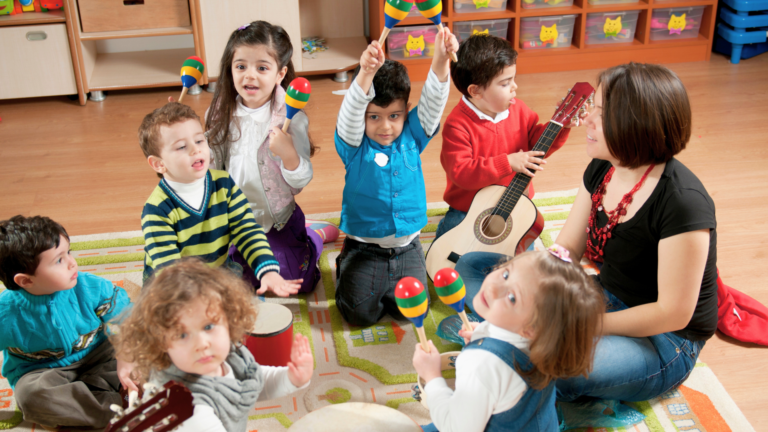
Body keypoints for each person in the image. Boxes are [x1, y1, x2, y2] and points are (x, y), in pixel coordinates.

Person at [456, 62, 718, 403]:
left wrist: (585, 324)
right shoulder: (603, 166)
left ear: (635, 123)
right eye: (592, 109)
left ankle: (499, 334)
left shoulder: (683, 203)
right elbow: (566, 249)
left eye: (601, 114)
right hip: (601, 296)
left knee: (557, 371)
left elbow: (672, 313)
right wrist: (533, 286)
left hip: (663, 338)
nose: (586, 121)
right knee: (473, 266)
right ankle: (506, 332)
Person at [333, 27, 458, 327]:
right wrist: (364, 74)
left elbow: (433, 100)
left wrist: (440, 60)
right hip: (364, 249)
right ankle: (346, 265)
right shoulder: (354, 145)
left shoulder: (413, 137)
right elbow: (350, 114)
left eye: (394, 116)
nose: (385, 126)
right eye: (374, 116)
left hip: (408, 247)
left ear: (406, 112)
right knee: (358, 314)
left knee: (413, 311)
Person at [412, 248, 604, 432]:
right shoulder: (549, 343)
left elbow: (455, 428)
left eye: (512, 298)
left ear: (530, 329)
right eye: (506, 275)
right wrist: (485, 334)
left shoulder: (479, 365)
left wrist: (432, 377)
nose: (493, 288)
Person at [112, 258, 313, 432]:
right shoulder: (188, 406)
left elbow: (253, 381)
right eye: (182, 334)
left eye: (208, 326)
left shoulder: (231, 358)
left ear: (229, 319)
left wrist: (291, 378)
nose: (201, 343)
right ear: (162, 342)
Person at [205, 20, 325, 294]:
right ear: (230, 69)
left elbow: (299, 181)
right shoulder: (218, 114)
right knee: (235, 285)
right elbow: (209, 169)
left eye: (262, 68)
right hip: (236, 221)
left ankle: (313, 238)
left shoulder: (291, 117)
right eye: (241, 66)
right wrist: (186, 136)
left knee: (299, 284)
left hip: (278, 220)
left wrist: (289, 154)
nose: (250, 76)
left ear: (280, 73)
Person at [139, 102, 300, 296]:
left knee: (248, 312)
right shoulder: (157, 210)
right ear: (158, 164)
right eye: (181, 147)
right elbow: (169, 269)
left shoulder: (223, 184)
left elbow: (246, 230)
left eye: (199, 141)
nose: (195, 150)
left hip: (217, 272)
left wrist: (268, 271)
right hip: (171, 286)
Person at [435, 35, 578, 240]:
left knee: (525, 247)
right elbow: (462, 172)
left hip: (514, 201)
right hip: (469, 207)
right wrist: (508, 162)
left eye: (514, 79)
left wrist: (561, 126)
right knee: (449, 245)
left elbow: (537, 146)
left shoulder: (519, 109)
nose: (514, 87)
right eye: (505, 83)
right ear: (475, 91)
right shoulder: (457, 125)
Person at [0, 215, 131, 430]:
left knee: (151, 350)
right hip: (44, 372)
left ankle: (97, 398)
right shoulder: (5, 313)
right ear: (26, 280)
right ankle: (116, 409)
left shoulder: (90, 286)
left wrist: (126, 356)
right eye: (59, 260)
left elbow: (124, 315)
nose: (72, 263)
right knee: (30, 396)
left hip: (101, 355)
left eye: (68, 252)